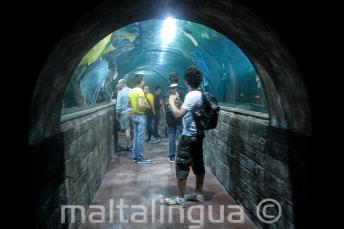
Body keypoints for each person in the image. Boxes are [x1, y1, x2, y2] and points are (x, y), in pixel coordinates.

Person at [164, 66, 206, 207]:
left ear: (187, 80)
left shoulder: (191, 95)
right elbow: (189, 111)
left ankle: (180, 199)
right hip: (199, 135)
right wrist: (181, 104)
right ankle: (198, 194)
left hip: (188, 136)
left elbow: (178, 114)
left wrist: (171, 102)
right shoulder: (201, 94)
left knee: (182, 165)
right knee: (198, 164)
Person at [128, 74, 152, 164]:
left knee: (136, 137)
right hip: (140, 116)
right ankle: (140, 158)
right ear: (142, 81)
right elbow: (141, 104)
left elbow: (129, 104)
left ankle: (135, 156)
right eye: (144, 80)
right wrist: (148, 106)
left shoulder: (131, 91)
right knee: (140, 138)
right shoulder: (140, 91)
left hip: (134, 115)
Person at [163, 73, 185, 162]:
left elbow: (164, 106)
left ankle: (171, 156)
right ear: (178, 80)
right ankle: (182, 155)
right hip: (179, 116)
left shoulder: (166, 91)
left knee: (171, 136)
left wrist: (165, 118)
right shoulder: (181, 90)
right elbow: (184, 104)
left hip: (169, 117)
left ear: (169, 80)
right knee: (182, 136)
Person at [116, 79, 132, 151]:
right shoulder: (131, 90)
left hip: (124, 114)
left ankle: (129, 145)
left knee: (127, 129)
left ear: (122, 84)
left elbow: (118, 106)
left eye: (118, 84)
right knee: (133, 129)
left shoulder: (120, 92)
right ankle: (134, 143)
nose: (118, 85)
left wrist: (117, 115)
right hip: (132, 112)